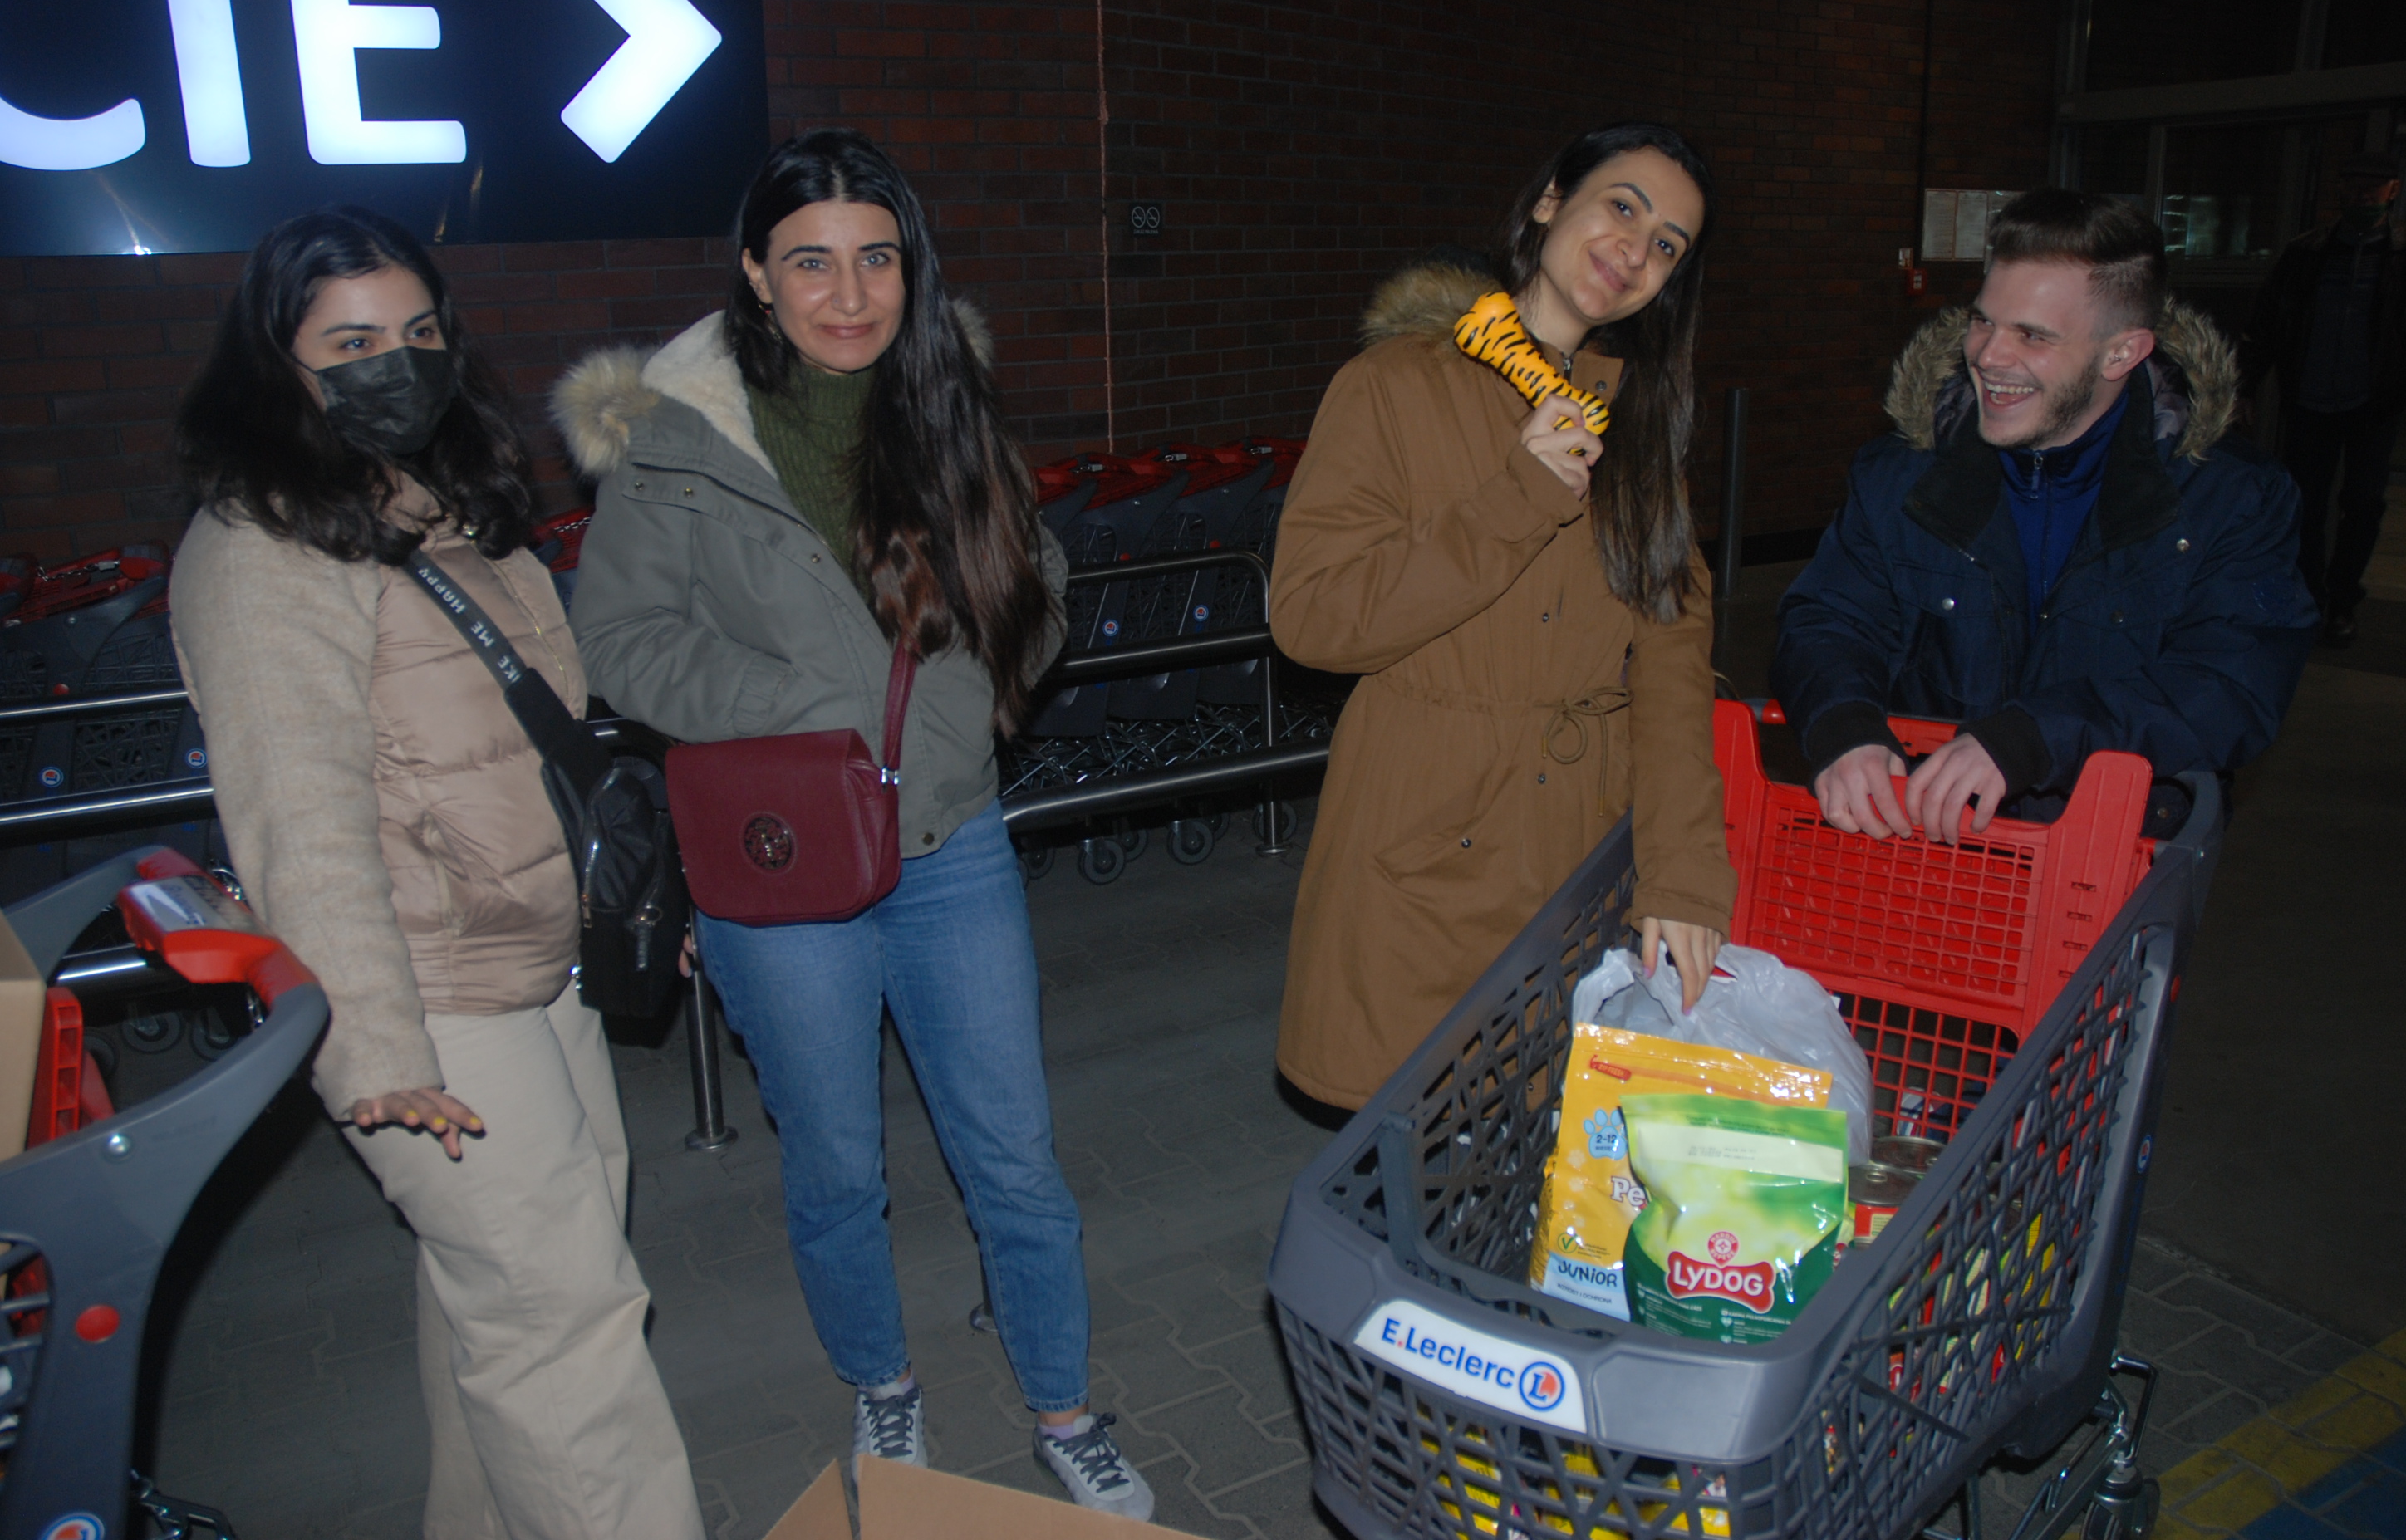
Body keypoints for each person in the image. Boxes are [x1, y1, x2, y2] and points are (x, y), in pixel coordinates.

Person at [553, 129, 1155, 1519]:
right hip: (783, 856)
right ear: (756, 274)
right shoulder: (673, 440)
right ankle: (882, 1379)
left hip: (951, 840)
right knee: (835, 1163)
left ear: (909, 268)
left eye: (876, 258)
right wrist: (810, 704)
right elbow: (621, 643)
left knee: (1013, 1153)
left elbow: (1036, 569)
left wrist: (985, 692)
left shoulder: (946, 404)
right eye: (811, 261)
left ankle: (1064, 1405)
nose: (848, 292)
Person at [169, 209, 705, 1539]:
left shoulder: (447, 507)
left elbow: (547, 746)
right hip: (428, 994)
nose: (394, 366)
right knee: (563, 1323)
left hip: (537, 958)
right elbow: (296, 816)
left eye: (416, 333)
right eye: (350, 344)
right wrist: (370, 1042)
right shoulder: (259, 549)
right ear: (276, 364)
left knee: (516, 1302)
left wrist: (620, 905)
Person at [1268, 124, 1738, 1112]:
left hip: (1576, 851)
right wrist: (1515, 497)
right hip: (1418, 841)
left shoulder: (1639, 422)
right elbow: (1311, 618)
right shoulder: (1394, 386)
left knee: (1556, 1162)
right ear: (1550, 201)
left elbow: (1670, 665)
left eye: (1667, 244)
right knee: (1409, 1155)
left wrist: (1685, 876)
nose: (1635, 250)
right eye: (1621, 207)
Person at [1773, 189, 2318, 846]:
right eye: (1983, 321)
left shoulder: (2232, 498)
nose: (1988, 356)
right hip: (1923, 844)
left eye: (2032, 335)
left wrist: (2035, 738)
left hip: (2110, 855)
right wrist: (1843, 725)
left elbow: (2231, 684)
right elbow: (1830, 619)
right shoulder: (1899, 475)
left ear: (2122, 353)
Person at [2241, 150, 2404, 645]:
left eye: (2372, 188)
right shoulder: (2308, 254)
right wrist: (2244, 385)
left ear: (2392, 192)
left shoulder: (2397, 257)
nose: (2362, 197)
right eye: (2354, 187)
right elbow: (2269, 322)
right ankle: (2310, 595)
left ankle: (2343, 599)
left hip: (2372, 404)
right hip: (2311, 399)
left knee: (2363, 505)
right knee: (2304, 504)